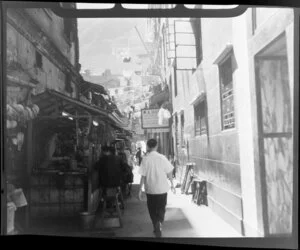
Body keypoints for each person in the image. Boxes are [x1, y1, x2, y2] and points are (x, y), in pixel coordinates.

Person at [138, 139, 176, 238]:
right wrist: (172, 185)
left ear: (148, 146)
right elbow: (169, 172)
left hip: (150, 189)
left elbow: (143, 176)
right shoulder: (162, 158)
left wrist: (139, 190)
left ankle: (156, 223)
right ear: (156, 146)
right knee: (161, 208)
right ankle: (159, 222)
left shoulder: (145, 159)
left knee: (152, 209)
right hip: (162, 189)